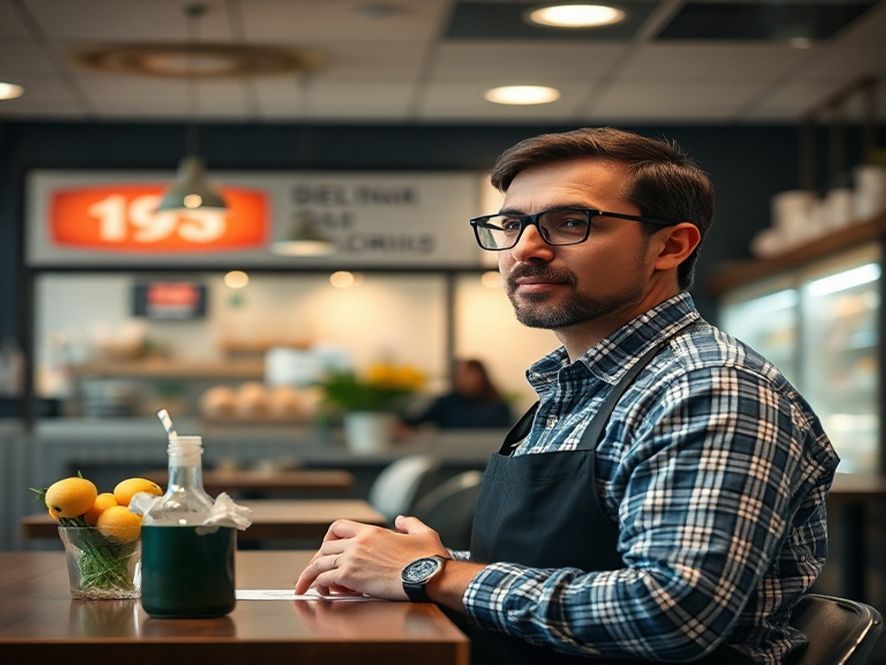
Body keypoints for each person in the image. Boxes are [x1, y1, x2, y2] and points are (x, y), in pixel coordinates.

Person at [296, 127, 839, 664]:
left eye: (569, 223)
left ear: (671, 245)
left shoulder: (708, 387)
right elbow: (559, 560)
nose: (525, 248)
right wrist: (397, 561)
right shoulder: (574, 385)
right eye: (511, 224)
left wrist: (431, 574)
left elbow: (670, 612)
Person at [400, 358, 513, 430]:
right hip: (450, 459)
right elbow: (413, 422)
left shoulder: (498, 406)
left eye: (469, 374)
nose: (464, 379)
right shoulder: (446, 403)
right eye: (460, 374)